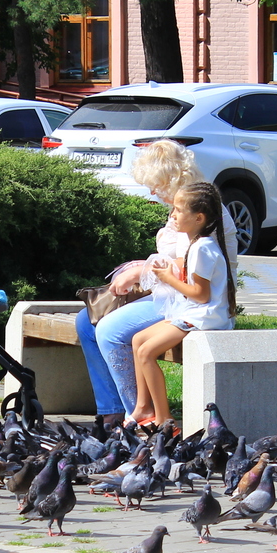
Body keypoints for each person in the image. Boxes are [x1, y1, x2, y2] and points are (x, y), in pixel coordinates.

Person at [75, 140, 238, 429]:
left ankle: (145, 416)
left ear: (174, 178)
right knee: (86, 321)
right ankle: (115, 409)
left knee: (111, 330)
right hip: (174, 294)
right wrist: (141, 271)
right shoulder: (184, 209)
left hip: (191, 302)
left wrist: (140, 271)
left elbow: (185, 269)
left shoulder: (200, 214)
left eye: (157, 185)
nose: (152, 192)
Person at [128, 181, 236, 429]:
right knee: (137, 340)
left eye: (178, 210)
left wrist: (168, 278)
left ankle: (165, 419)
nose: (172, 215)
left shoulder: (203, 248)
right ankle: (144, 407)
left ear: (198, 218)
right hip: (193, 311)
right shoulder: (196, 244)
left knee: (146, 352)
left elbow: (200, 295)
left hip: (205, 316)